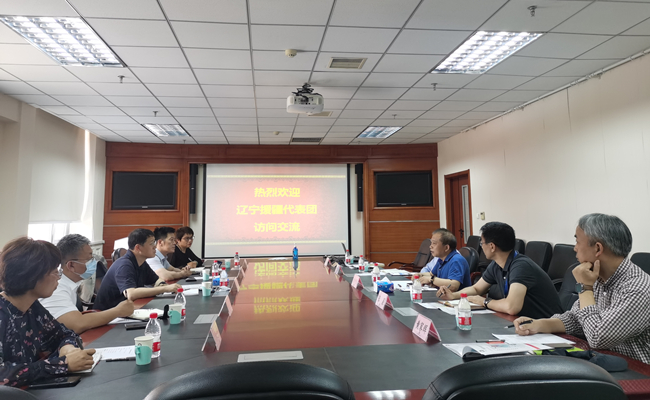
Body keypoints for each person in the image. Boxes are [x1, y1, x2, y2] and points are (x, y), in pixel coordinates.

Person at [515, 214, 650, 364]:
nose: (575, 248)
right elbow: (576, 319)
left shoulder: (638, 289)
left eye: (577, 241)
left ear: (598, 248)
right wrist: (538, 324)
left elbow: (597, 338)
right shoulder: (598, 277)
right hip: (606, 361)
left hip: (637, 371)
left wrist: (585, 288)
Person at [0, 237, 95, 386]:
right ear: (33, 276)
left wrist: (68, 349)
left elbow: (64, 334)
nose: (58, 277)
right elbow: (2, 374)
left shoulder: (32, 307)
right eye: (54, 272)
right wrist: (63, 364)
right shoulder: (3, 314)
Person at [438, 222, 562, 319]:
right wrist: (453, 295)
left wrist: (484, 301)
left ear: (492, 246)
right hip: (524, 323)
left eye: (482, 243)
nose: (482, 247)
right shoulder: (497, 264)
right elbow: (476, 289)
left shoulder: (521, 266)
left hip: (548, 330)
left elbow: (512, 307)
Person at [39, 234, 135, 334]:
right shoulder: (55, 288)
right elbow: (77, 324)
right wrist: (118, 311)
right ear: (71, 265)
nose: (94, 262)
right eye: (89, 259)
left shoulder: (71, 283)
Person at [94, 229, 180, 311]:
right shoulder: (124, 265)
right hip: (108, 315)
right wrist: (165, 289)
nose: (155, 246)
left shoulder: (141, 262)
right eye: (151, 243)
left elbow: (156, 280)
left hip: (127, 309)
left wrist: (162, 285)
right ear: (138, 248)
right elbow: (131, 294)